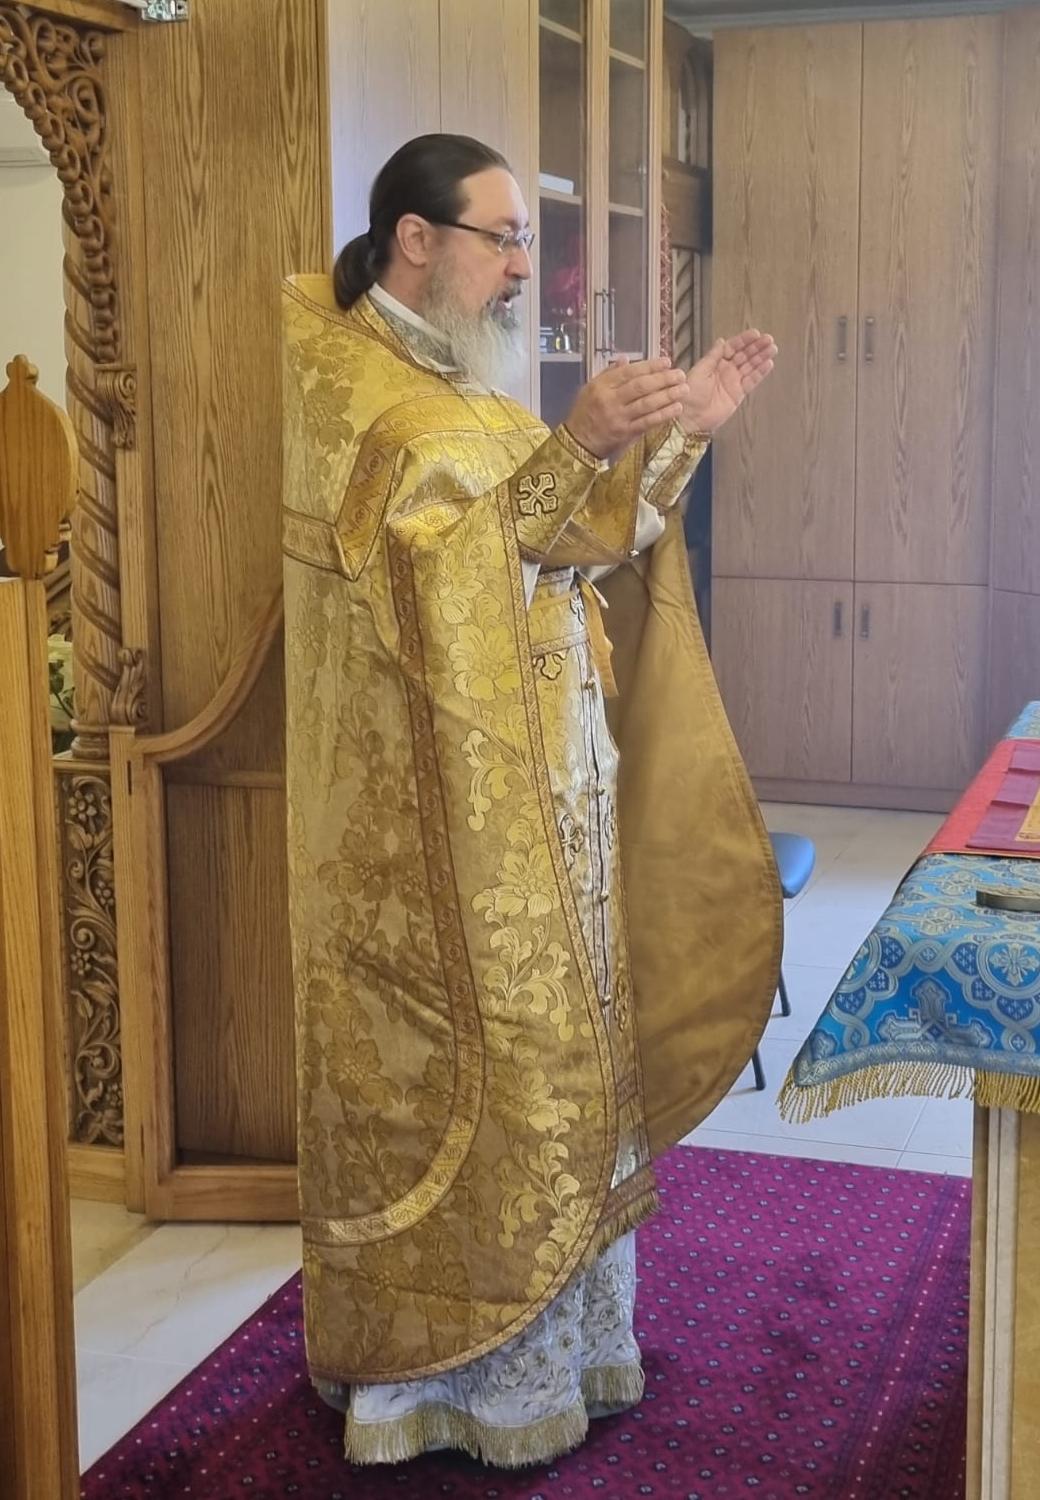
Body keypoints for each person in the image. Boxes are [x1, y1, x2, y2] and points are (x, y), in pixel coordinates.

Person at [281, 133, 782, 1469]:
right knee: (491, 1071)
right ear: (416, 240)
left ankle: (570, 1348)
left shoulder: (468, 387)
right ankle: (450, 1382)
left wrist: (679, 434)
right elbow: (433, 591)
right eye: (502, 238)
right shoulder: (354, 392)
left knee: (565, 1065)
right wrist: (579, 441)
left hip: (554, 789)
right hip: (440, 829)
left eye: (524, 241)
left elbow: (577, 539)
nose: (522, 268)